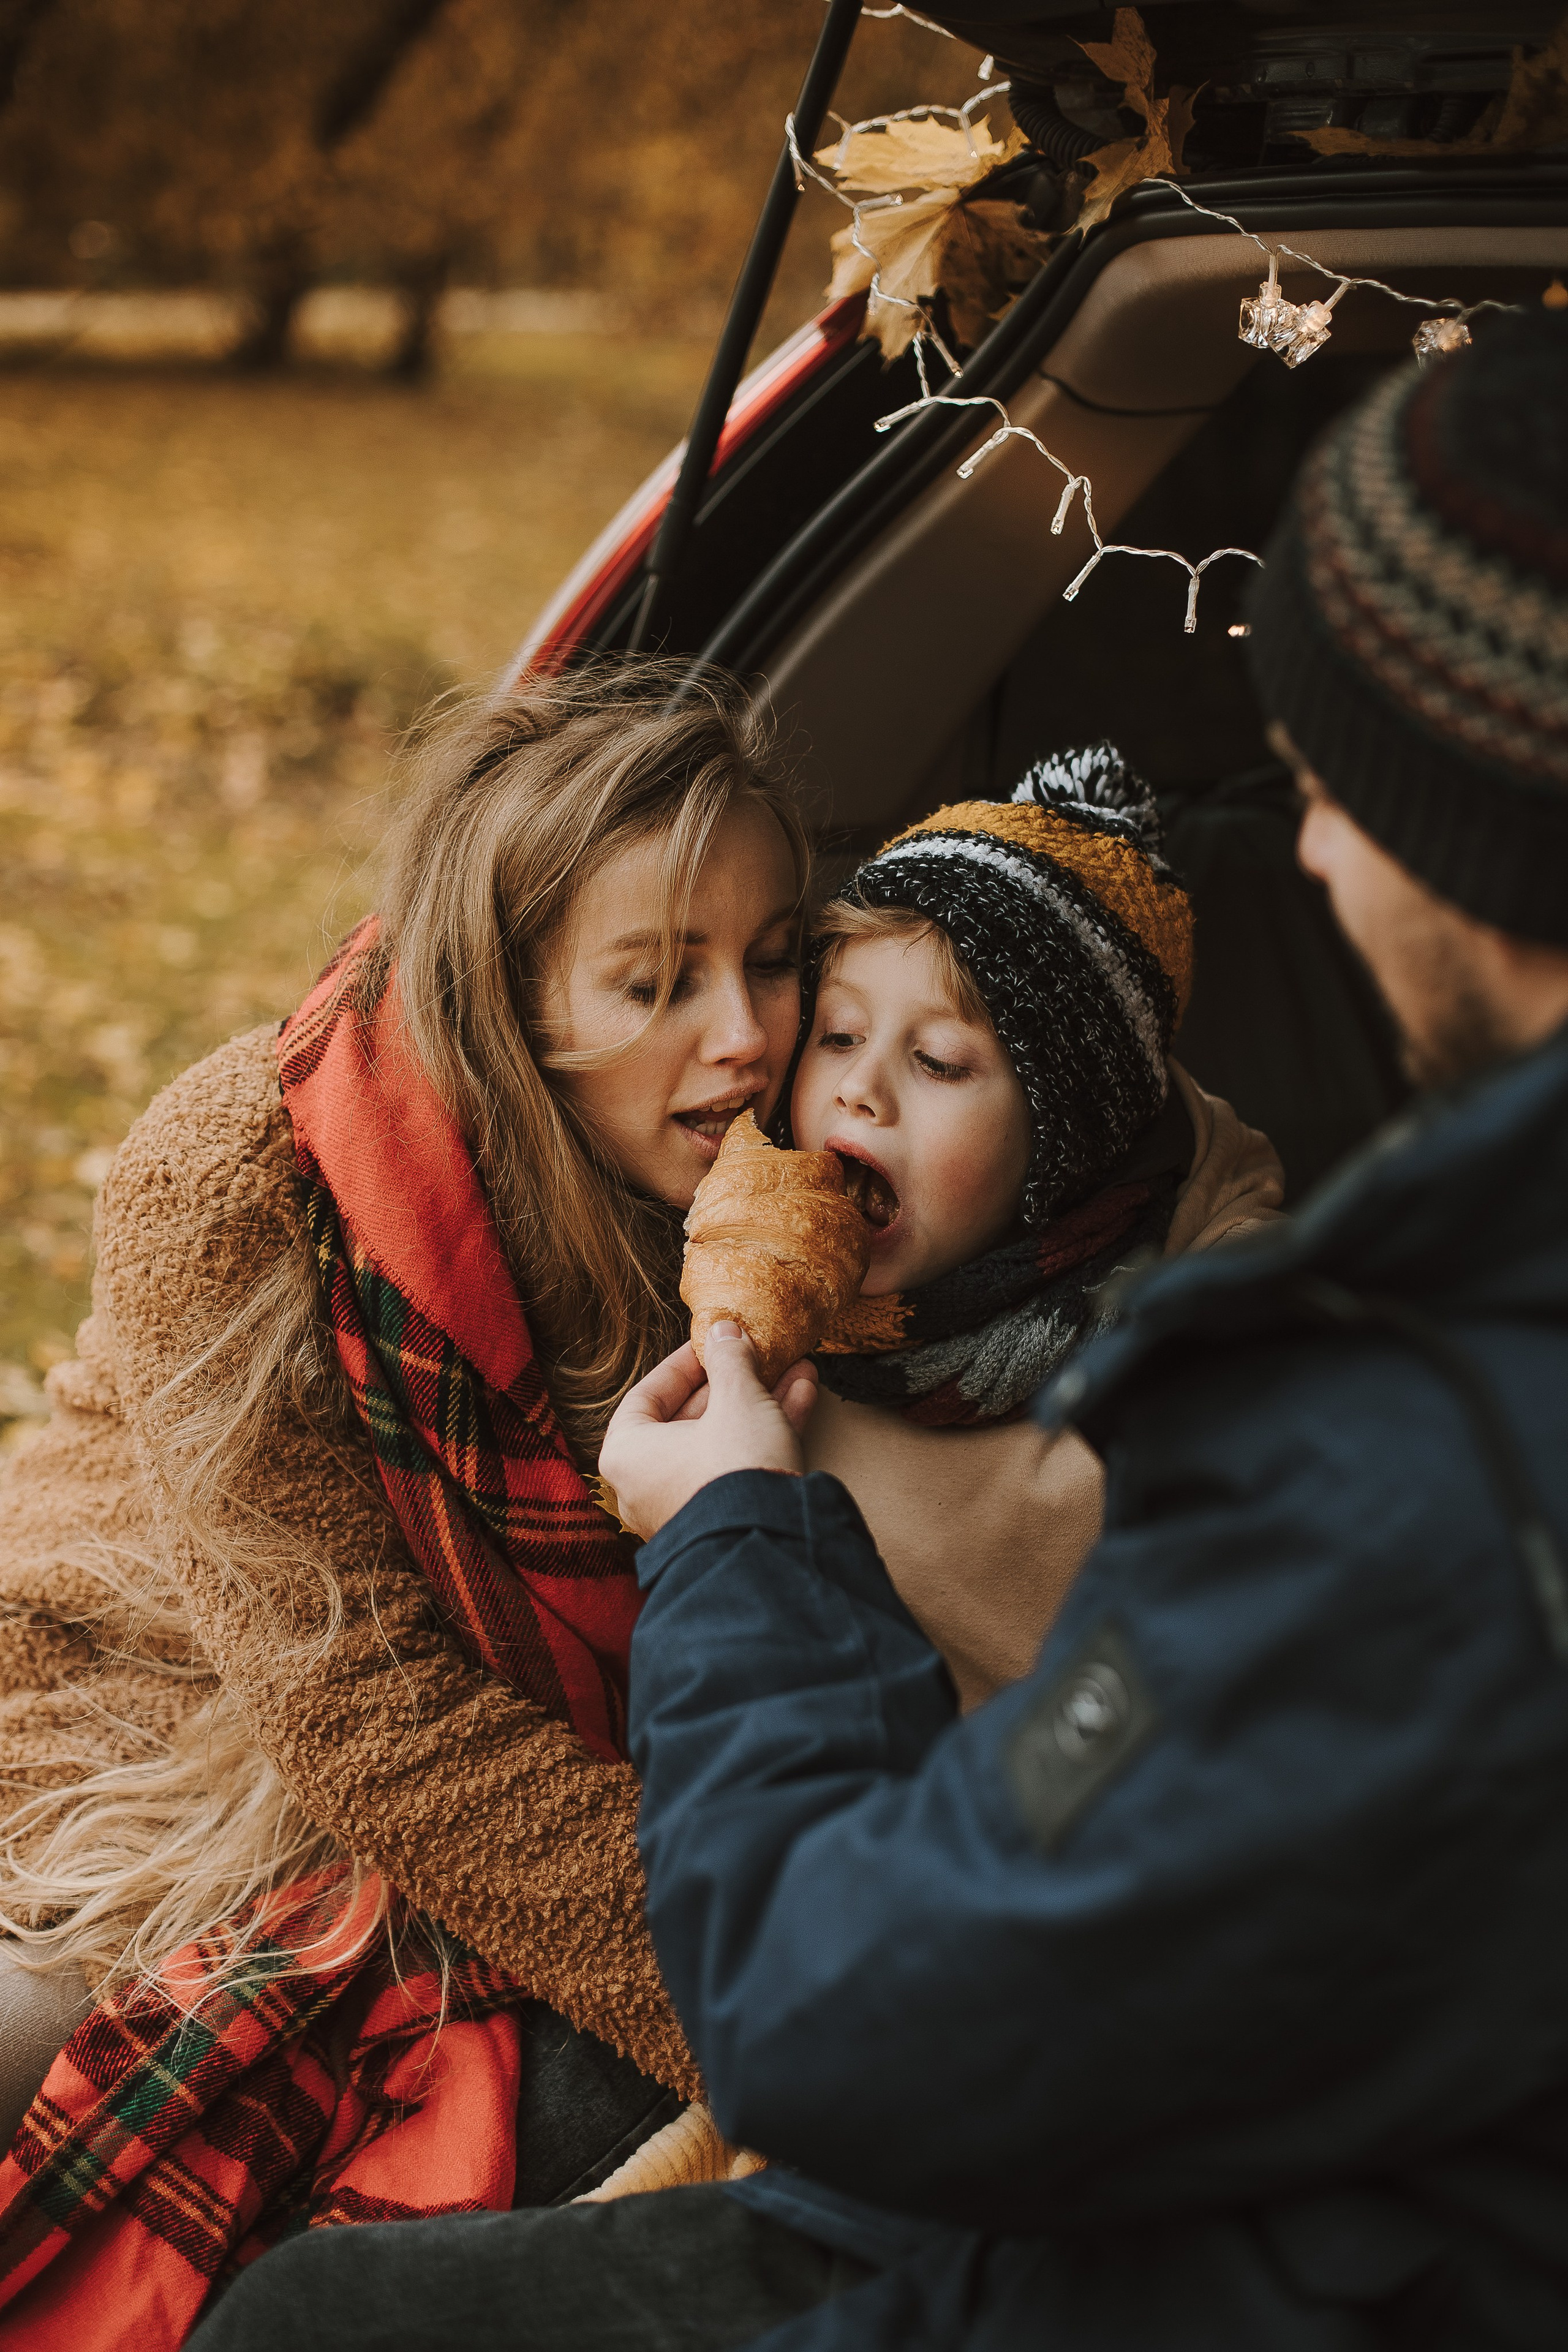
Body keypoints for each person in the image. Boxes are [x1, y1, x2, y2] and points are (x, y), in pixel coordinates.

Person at [184, 312, 1568, 2350]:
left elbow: (861, 2020)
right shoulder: (1412, 1349)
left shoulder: (1395, 1441)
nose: (1312, 845)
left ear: (1469, 831)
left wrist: (741, 1529)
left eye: (1333, 784)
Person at [0, 663, 1273, 2333]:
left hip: (628, 1783)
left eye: (774, 959)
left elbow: (1160, 1141)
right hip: (191, 1709)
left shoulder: (802, 1184)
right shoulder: (239, 1182)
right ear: (512, 1000)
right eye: (657, 982)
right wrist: (803, 2021)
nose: (746, 1038)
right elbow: (375, 1727)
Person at [789, 754, 1281, 1704]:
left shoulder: (1218, 1376)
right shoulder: (757, 1308)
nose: (858, 1086)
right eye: (839, 1034)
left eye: (939, 1061)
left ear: (1066, 1145)